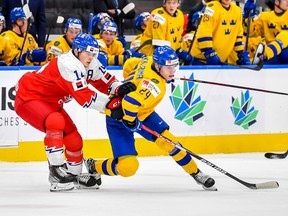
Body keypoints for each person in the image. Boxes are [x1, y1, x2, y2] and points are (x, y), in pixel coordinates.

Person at [14, 33, 136, 192]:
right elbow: (85, 98)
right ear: (77, 50)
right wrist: (112, 107)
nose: (91, 57)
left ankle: (73, 175)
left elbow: (106, 81)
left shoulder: (89, 60)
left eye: (94, 53)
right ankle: (56, 171)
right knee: (56, 121)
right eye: (88, 53)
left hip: (51, 101)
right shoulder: (69, 65)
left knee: (74, 139)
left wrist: (120, 88)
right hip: (29, 96)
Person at [85, 46, 217, 191]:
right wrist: (130, 120)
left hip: (143, 113)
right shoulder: (154, 85)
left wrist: (130, 82)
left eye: (174, 67)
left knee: (171, 143)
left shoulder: (147, 60)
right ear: (158, 66)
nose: (172, 71)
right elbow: (130, 101)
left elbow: (129, 64)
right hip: (118, 117)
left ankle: (196, 173)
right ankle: (94, 166)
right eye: (168, 68)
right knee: (128, 167)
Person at [190, 0, 250, 65]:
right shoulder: (210, 8)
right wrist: (209, 52)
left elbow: (238, 33)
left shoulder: (237, 10)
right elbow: (204, 32)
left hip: (220, 59)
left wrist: (240, 53)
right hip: (201, 59)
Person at [246, 0, 288, 64]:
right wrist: (248, 17)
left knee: (285, 35)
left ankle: (263, 55)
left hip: (286, 53)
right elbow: (250, 33)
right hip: (273, 56)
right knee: (256, 63)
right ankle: (254, 60)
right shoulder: (265, 17)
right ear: (276, 2)